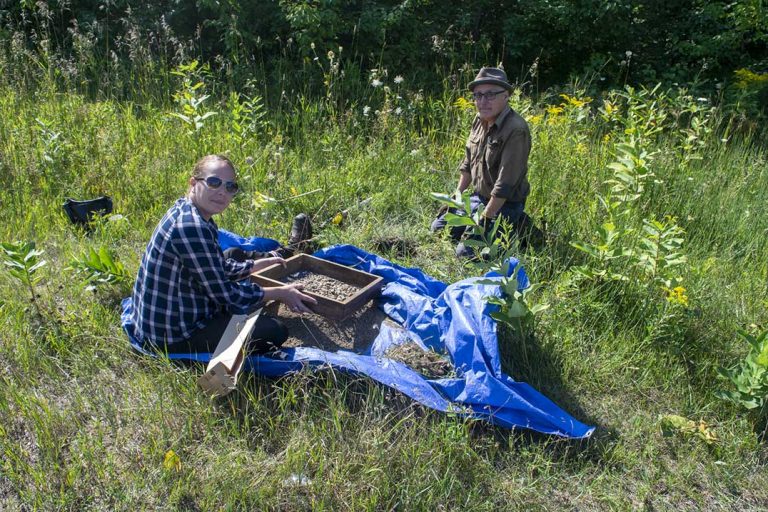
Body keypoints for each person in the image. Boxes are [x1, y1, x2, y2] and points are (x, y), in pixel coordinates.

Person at [128, 154, 317, 355]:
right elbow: (227, 295)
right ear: (193, 183)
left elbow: (216, 266)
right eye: (214, 182)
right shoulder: (191, 227)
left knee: (234, 253)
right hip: (174, 336)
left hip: (174, 312)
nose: (222, 192)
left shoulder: (190, 210)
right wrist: (280, 292)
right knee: (275, 331)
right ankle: (285, 255)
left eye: (230, 187)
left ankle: (284, 253)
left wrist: (254, 266)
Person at [431, 67, 532, 257]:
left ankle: (518, 225)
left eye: (491, 95)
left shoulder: (516, 130)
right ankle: (501, 225)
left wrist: (485, 218)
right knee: (438, 230)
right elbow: (469, 163)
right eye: (478, 95)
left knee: (466, 254)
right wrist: (457, 196)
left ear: (506, 96)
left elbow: (505, 185)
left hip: (505, 204)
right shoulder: (479, 120)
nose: (483, 101)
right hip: (479, 199)